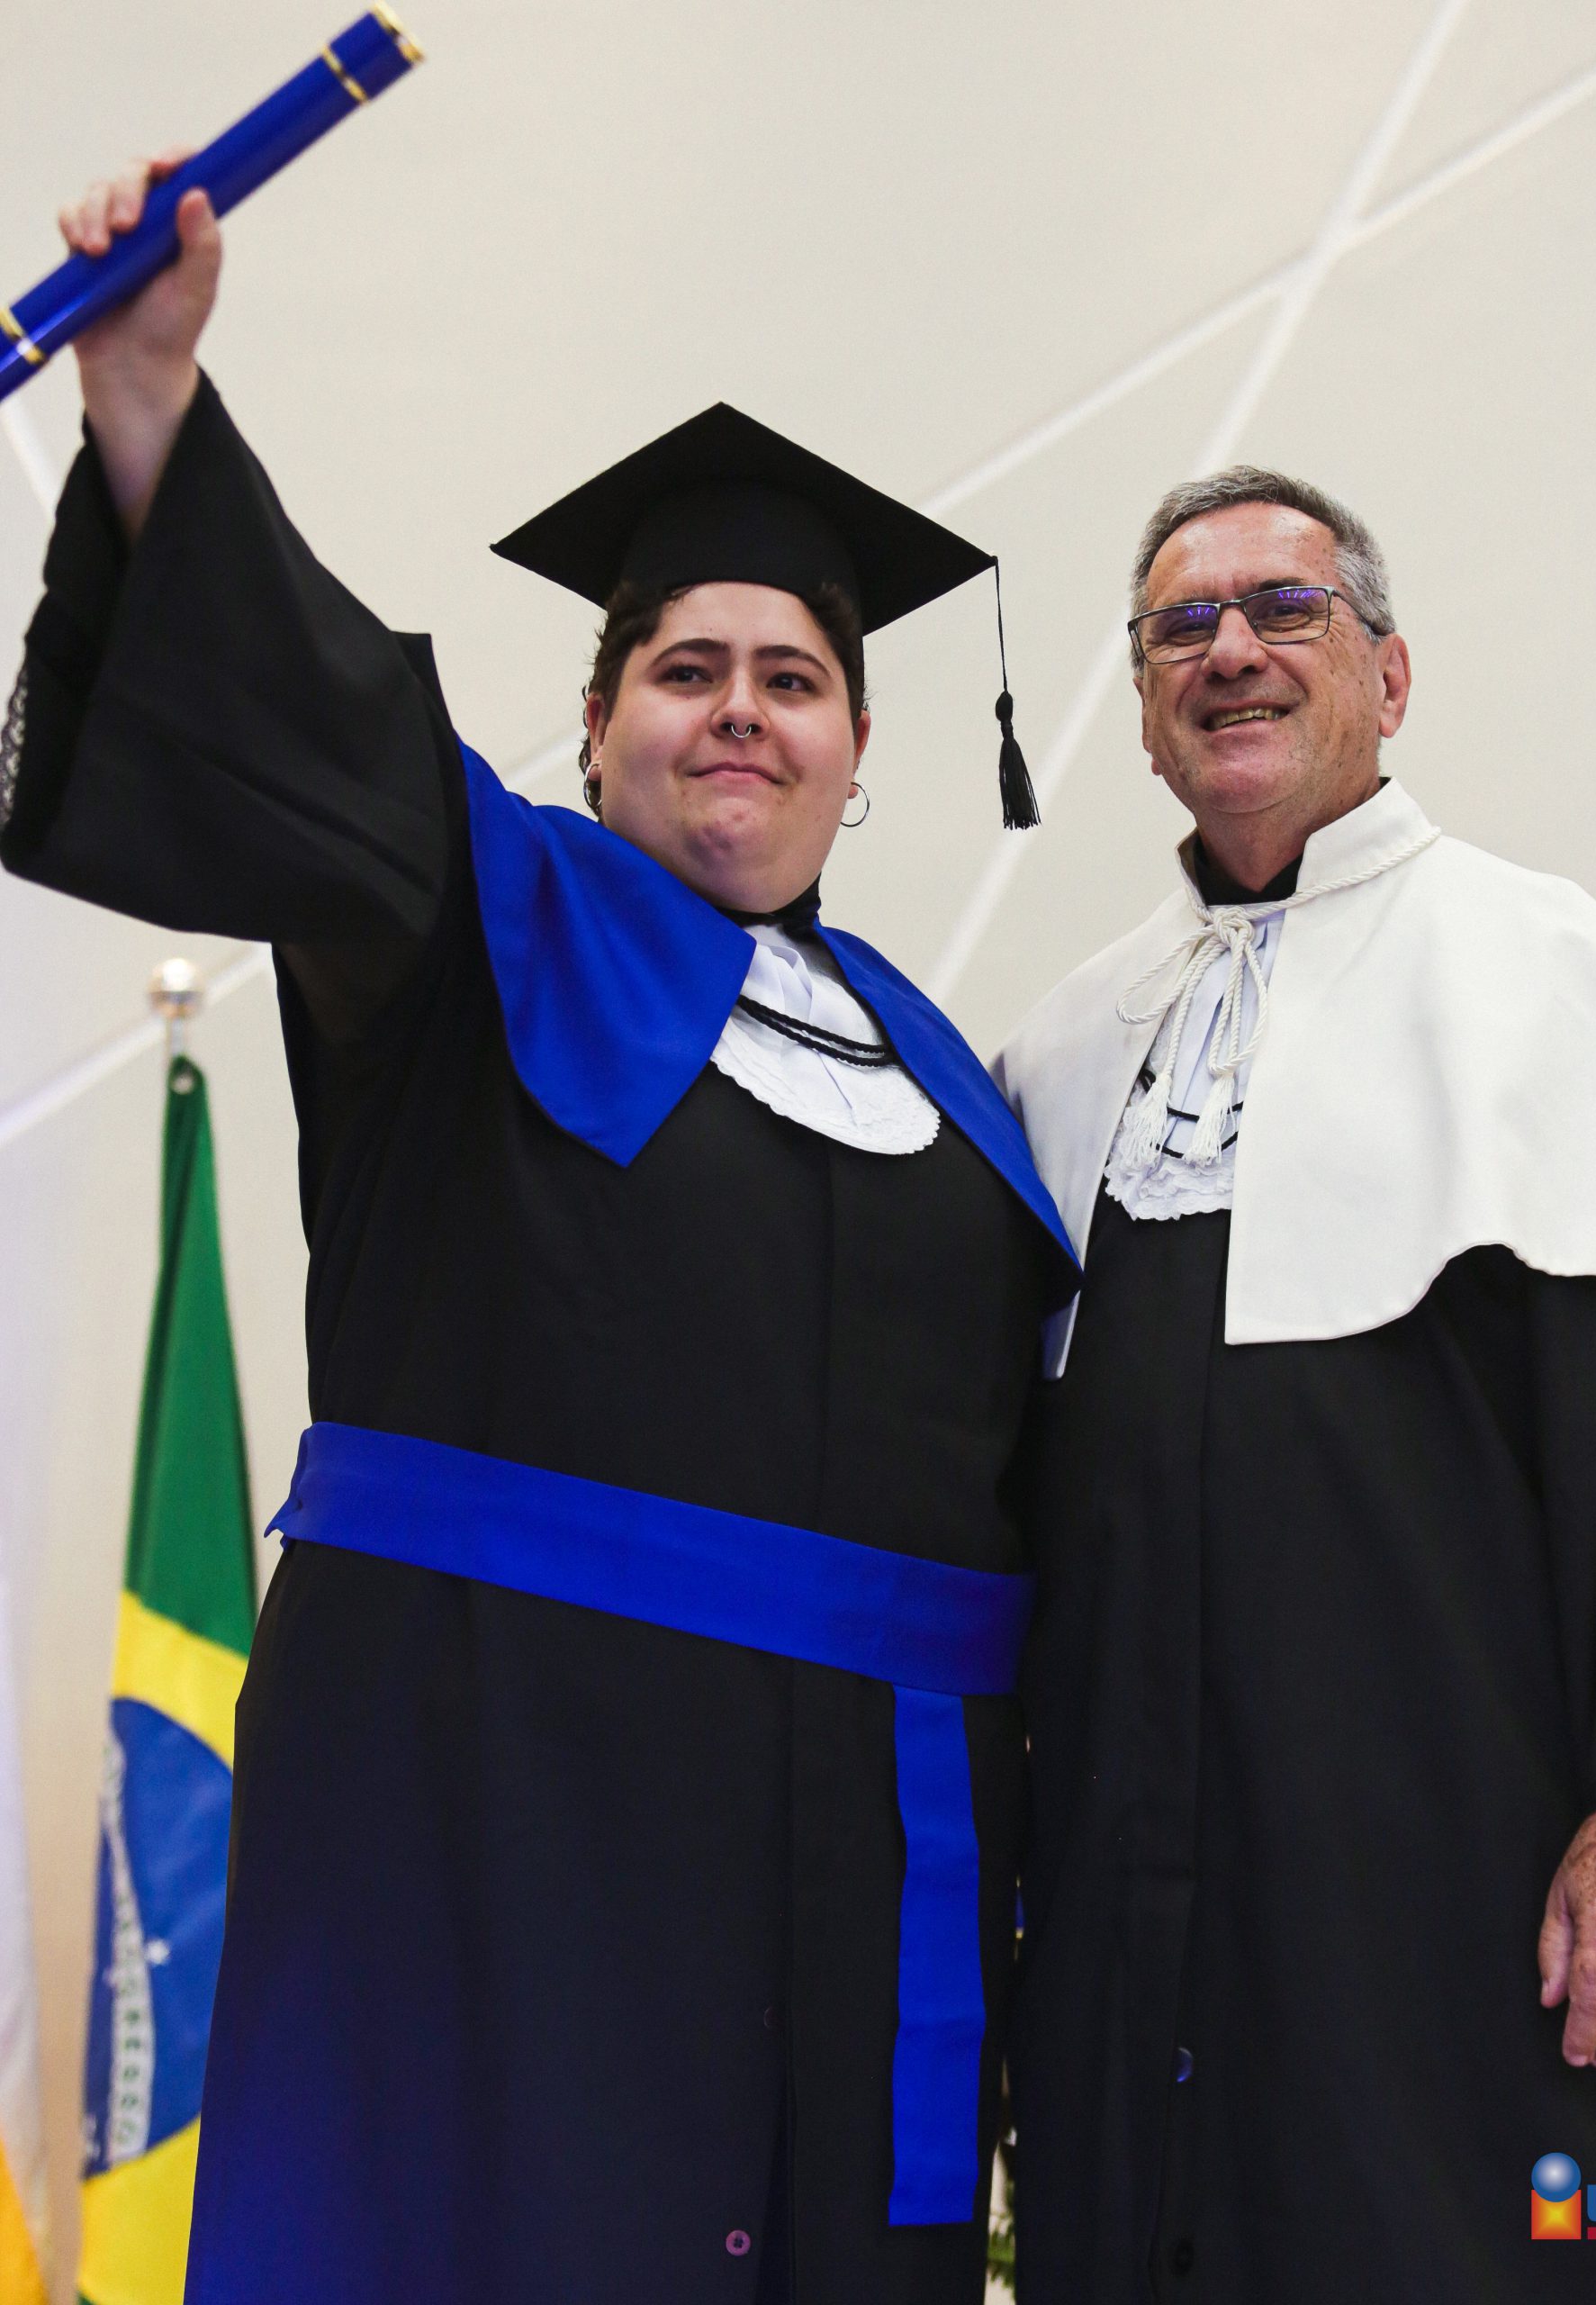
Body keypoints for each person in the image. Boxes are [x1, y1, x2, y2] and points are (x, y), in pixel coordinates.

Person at [1, 162, 1078, 2305]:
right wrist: (149, 397)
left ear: (858, 750)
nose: (741, 706)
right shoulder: (468, 917)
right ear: (596, 727)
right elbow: (316, 717)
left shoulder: (955, 1082)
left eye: (793, 676)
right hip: (504, 1823)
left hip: (864, 1883)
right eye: (686, 667)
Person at [994, 465, 1596, 2303]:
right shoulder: (1064, 1046)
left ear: (1388, 674)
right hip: (1146, 1905)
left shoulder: (1553, 977)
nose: (1230, 649)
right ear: (1139, 710)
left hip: (1477, 1891)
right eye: (1180, 627)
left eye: (1282, 610)